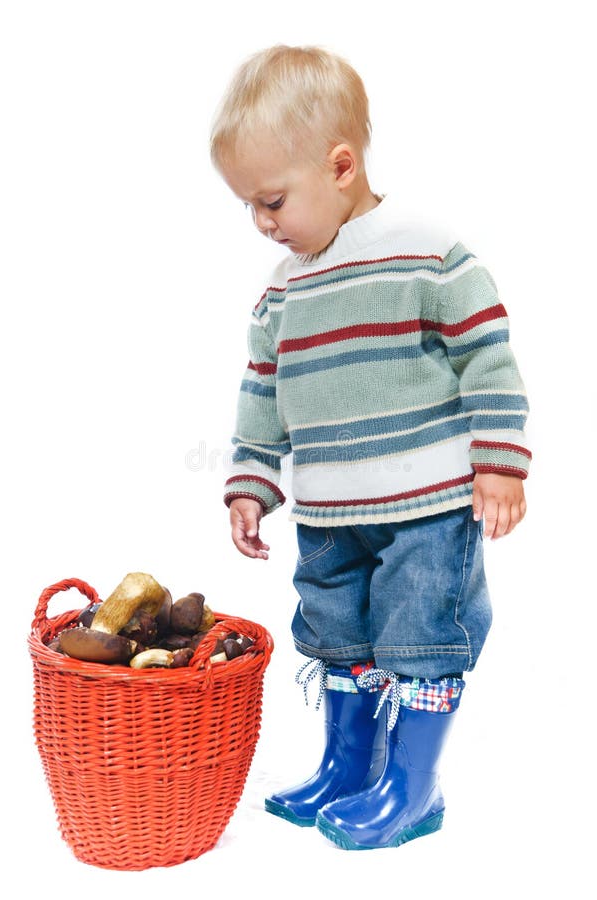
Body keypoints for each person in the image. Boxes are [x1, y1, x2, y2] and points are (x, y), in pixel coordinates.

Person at [209, 44, 530, 851]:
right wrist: (251, 481)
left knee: (421, 636)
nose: (262, 222)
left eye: (273, 199)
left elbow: (485, 351)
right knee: (337, 632)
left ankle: (412, 788)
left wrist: (497, 460)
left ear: (341, 165)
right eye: (249, 205)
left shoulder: (425, 250)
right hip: (326, 512)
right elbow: (261, 394)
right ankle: (349, 766)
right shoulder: (283, 291)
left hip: (425, 508)